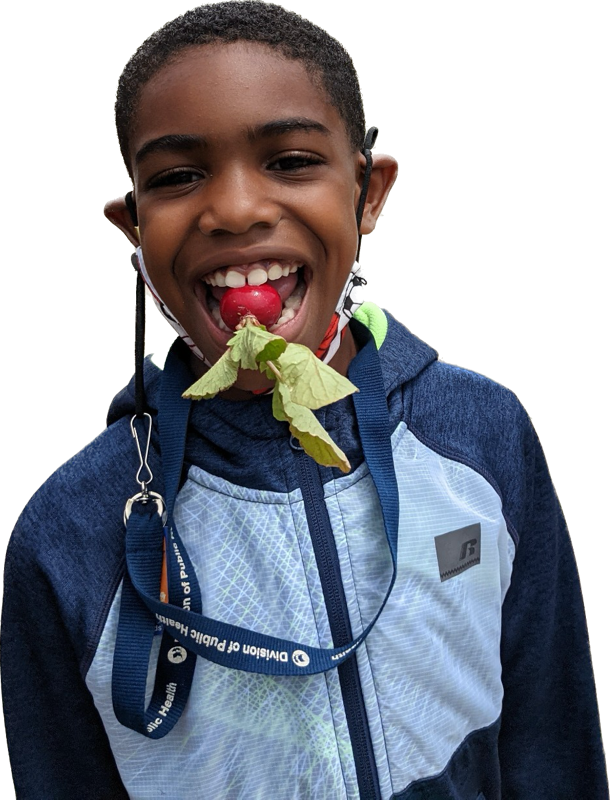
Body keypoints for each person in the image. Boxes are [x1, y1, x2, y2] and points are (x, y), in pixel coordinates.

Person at [1, 2, 608, 799]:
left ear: (369, 192)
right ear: (133, 228)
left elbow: (554, 744)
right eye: (178, 177)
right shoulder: (68, 531)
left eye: (289, 161)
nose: (236, 209)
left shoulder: (486, 434)